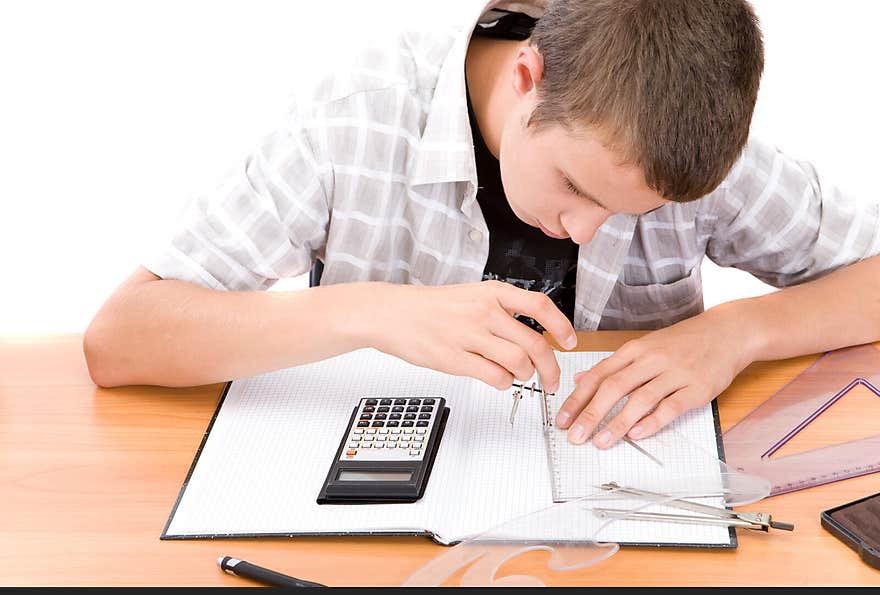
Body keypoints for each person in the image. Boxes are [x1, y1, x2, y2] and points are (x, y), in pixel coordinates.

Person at [83, 0, 880, 451]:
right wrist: (368, 311)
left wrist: (737, 332)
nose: (586, 230)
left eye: (632, 212)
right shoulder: (356, 115)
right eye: (573, 184)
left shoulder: (688, 141)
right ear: (528, 75)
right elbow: (119, 338)